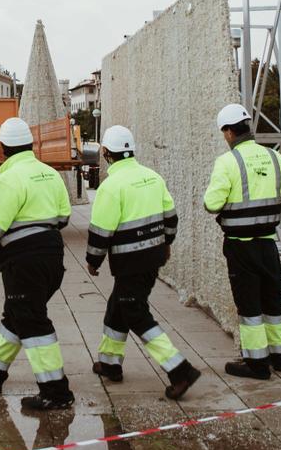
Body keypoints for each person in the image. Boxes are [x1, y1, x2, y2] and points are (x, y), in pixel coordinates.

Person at [0, 116, 74, 410]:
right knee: (18, 313)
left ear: (3, 148)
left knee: (31, 319)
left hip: (24, 264)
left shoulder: (8, 179)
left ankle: (56, 392)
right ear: (30, 145)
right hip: (53, 258)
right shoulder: (50, 174)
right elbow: (63, 218)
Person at [86, 125, 201, 400]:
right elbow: (171, 218)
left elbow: (101, 231)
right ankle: (110, 363)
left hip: (129, 262)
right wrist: (167, 243)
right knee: (118, 307)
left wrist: (93, 261)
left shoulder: (111, 186)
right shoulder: (152, 177)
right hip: (153, 257)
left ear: (106, 152)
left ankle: (179, 370)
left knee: (134, 311)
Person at [203, 104, 281, 379]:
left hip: (241, 246)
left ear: (229, 132)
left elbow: (211, 203)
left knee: (249, 305)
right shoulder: (274, 157)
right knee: (272, 300)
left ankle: (256, 363)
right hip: (267, 243)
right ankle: (279, 356)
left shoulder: (227, 162)